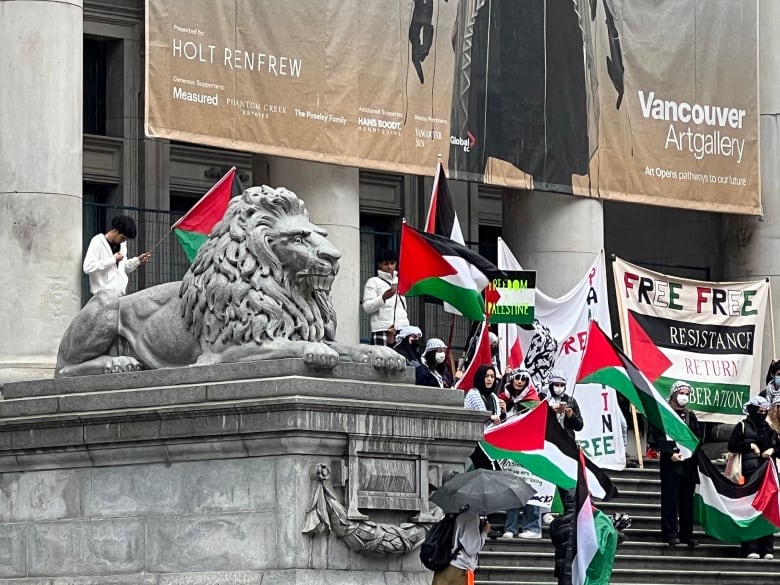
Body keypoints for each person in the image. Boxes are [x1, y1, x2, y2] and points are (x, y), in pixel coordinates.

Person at [650, 380, 702, 547]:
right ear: (673, 394)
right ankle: (670, 532)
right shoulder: (664, 414)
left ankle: (687, 534)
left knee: (687, 500)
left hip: (688, 463)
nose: (684, 397)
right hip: (671, 463)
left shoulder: (690, 416)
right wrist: (669, 452)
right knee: (670, 498)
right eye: (681, 393)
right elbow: (658, 436)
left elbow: (698, 437)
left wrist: (692, 450)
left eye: (687, 394)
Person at [728, 395, 776, 559]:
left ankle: (767, 548)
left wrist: (772, 451)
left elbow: (777, 446)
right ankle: (750, 547)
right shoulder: (742, 426)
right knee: (750, 510)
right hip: (748, 474)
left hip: (766, 474)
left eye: (765, 411)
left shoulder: (769, 429)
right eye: (759, 411)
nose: (762, 414)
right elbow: (732, 445)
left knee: (767, 511)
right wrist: (749, 445)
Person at [498, 368, 543, 539]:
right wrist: (503, 410)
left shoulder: (534, 401)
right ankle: (511, 526)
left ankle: (533, 526)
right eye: (517, 378)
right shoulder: (503, 398)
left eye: (524, 379)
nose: (520, 382)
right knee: (512, 488)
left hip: (529, 450)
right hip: (510, 450)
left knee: (531, 487)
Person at [83, 215, 151, 296]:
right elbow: (87, 267)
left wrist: (137, 261)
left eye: (125, 239)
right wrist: (112, 260)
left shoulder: (122, 244)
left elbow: (122, 268)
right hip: (102, 297)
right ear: (115, 230)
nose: (123, 241)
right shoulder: (97, 241)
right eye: (122, 238)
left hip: (120, 296)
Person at [362, 249, 410, 346]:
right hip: (381, 329)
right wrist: (383, 298)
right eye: (386, 264)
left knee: (402, 359)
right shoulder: (373, 281)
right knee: (383, 359)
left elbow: (403, 306)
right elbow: (367, 307)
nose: (390, 267)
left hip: (402, 328)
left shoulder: (400, 281)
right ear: (379, 264)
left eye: (392, 263)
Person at [431, 507, 490, 585]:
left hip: (445, 564)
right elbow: (472, 548)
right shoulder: (471, 516)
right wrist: (484, 532)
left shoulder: (453, 513)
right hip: (458, 568)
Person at [539, 369, 583, 439]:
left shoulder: (570, 401)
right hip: (547, 442)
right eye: (556, 385)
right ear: (550, 385)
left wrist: (571, 416)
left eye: (562, 385)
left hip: (566, 441)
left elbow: (579, 426)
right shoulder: (541, 400)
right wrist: (550, 410)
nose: (559, 387)